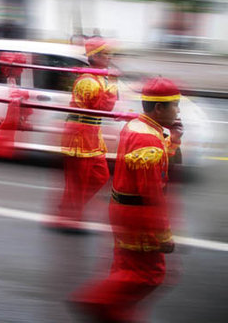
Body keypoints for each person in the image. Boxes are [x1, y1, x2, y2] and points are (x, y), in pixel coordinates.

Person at [71, 77, 181, 322]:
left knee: (127, 267)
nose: (178, 110)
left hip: (123, 210)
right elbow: (152, 192)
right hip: (138, 215)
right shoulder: (148, 139)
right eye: (175, 105)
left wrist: (173, 139)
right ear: (159, 108)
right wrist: (163, 234)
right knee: (150, 274)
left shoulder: (138, 126)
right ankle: (96, 301)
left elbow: (160, 162)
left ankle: (116, 312)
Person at [50, 37, 118, 231]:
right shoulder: (88, 81)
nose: (110, 57)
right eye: (106, 53)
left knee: (100, 175)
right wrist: (113, 84)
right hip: (80, 135)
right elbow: (103, 107)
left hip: (91, 135)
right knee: (78, 180)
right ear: (94, 57)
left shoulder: (98, 77)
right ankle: (70, 217)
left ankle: (69, 210)